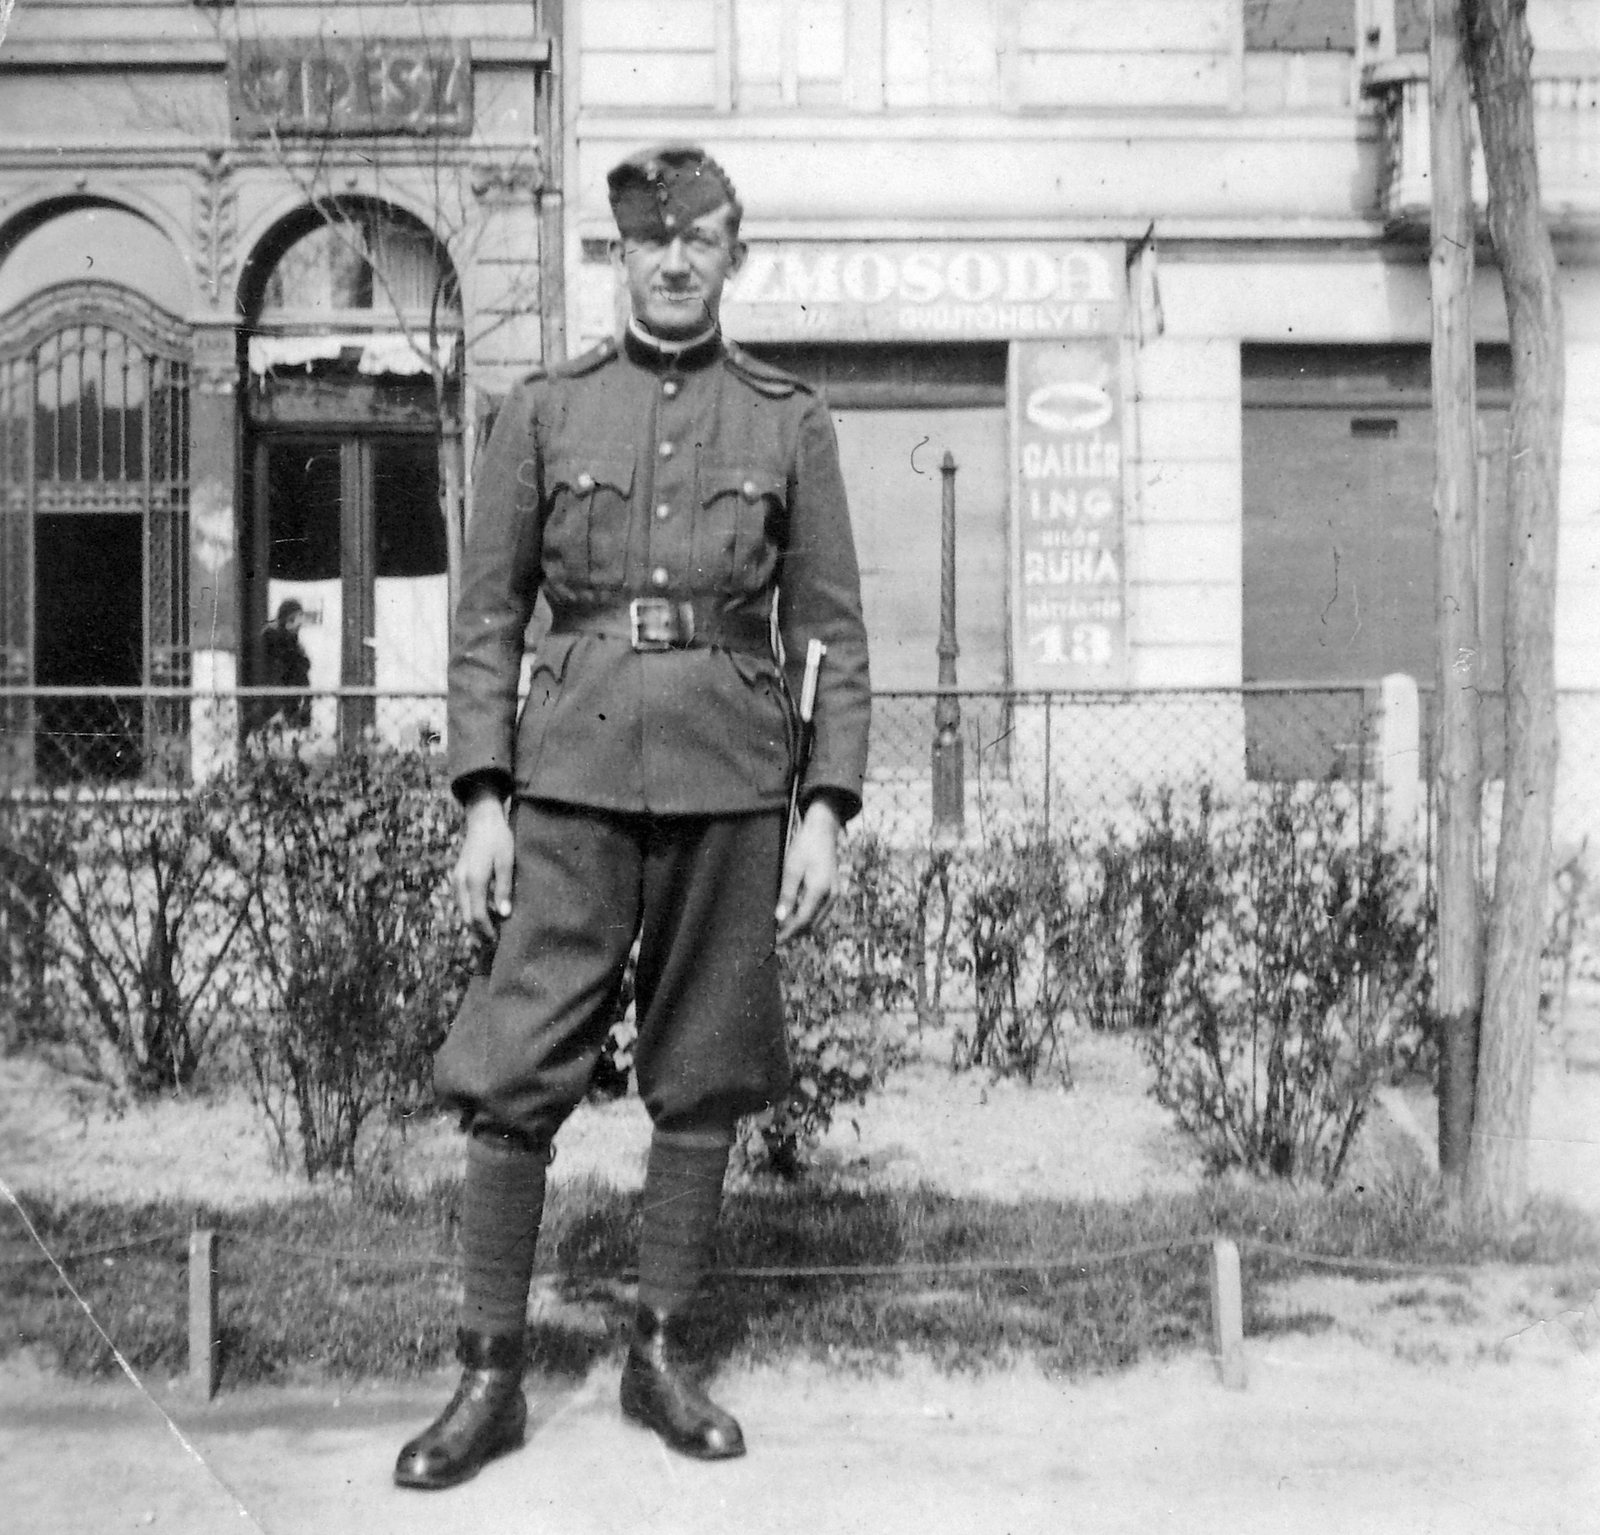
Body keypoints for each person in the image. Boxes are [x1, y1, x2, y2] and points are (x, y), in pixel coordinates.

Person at [393, 144, 871, 1489]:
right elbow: (488, 615)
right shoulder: (546, 411)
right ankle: (489, 1370)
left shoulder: (789, 420)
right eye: (649, 243)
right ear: (618, 256)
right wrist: (484, 793)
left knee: (705, 1059)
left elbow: (833, 626)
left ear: (733, 253)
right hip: (572, 774)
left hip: (731, 777)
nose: (674, 261)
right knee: (515, 1058)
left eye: (700, 240)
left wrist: (824, 805)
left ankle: (661, 1354)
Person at [256, 598, 311, 732]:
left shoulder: (291, 640)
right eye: (297, 617)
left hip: (292, 696)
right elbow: (283, 667)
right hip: (279, 697)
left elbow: (302, 665)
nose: (300, 623)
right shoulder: (274, 638)